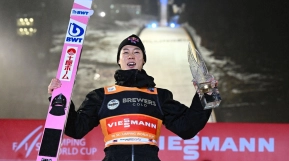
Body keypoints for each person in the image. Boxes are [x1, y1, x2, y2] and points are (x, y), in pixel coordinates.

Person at [48, 34, 215, 161]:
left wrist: (207, 93)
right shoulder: (101, 96)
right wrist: (59, 100)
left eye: (137, 52)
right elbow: (76, 129)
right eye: (125, 52)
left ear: (143, 60)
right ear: (119, 60)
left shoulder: (159, 96)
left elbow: (188, 128)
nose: (131, 56)